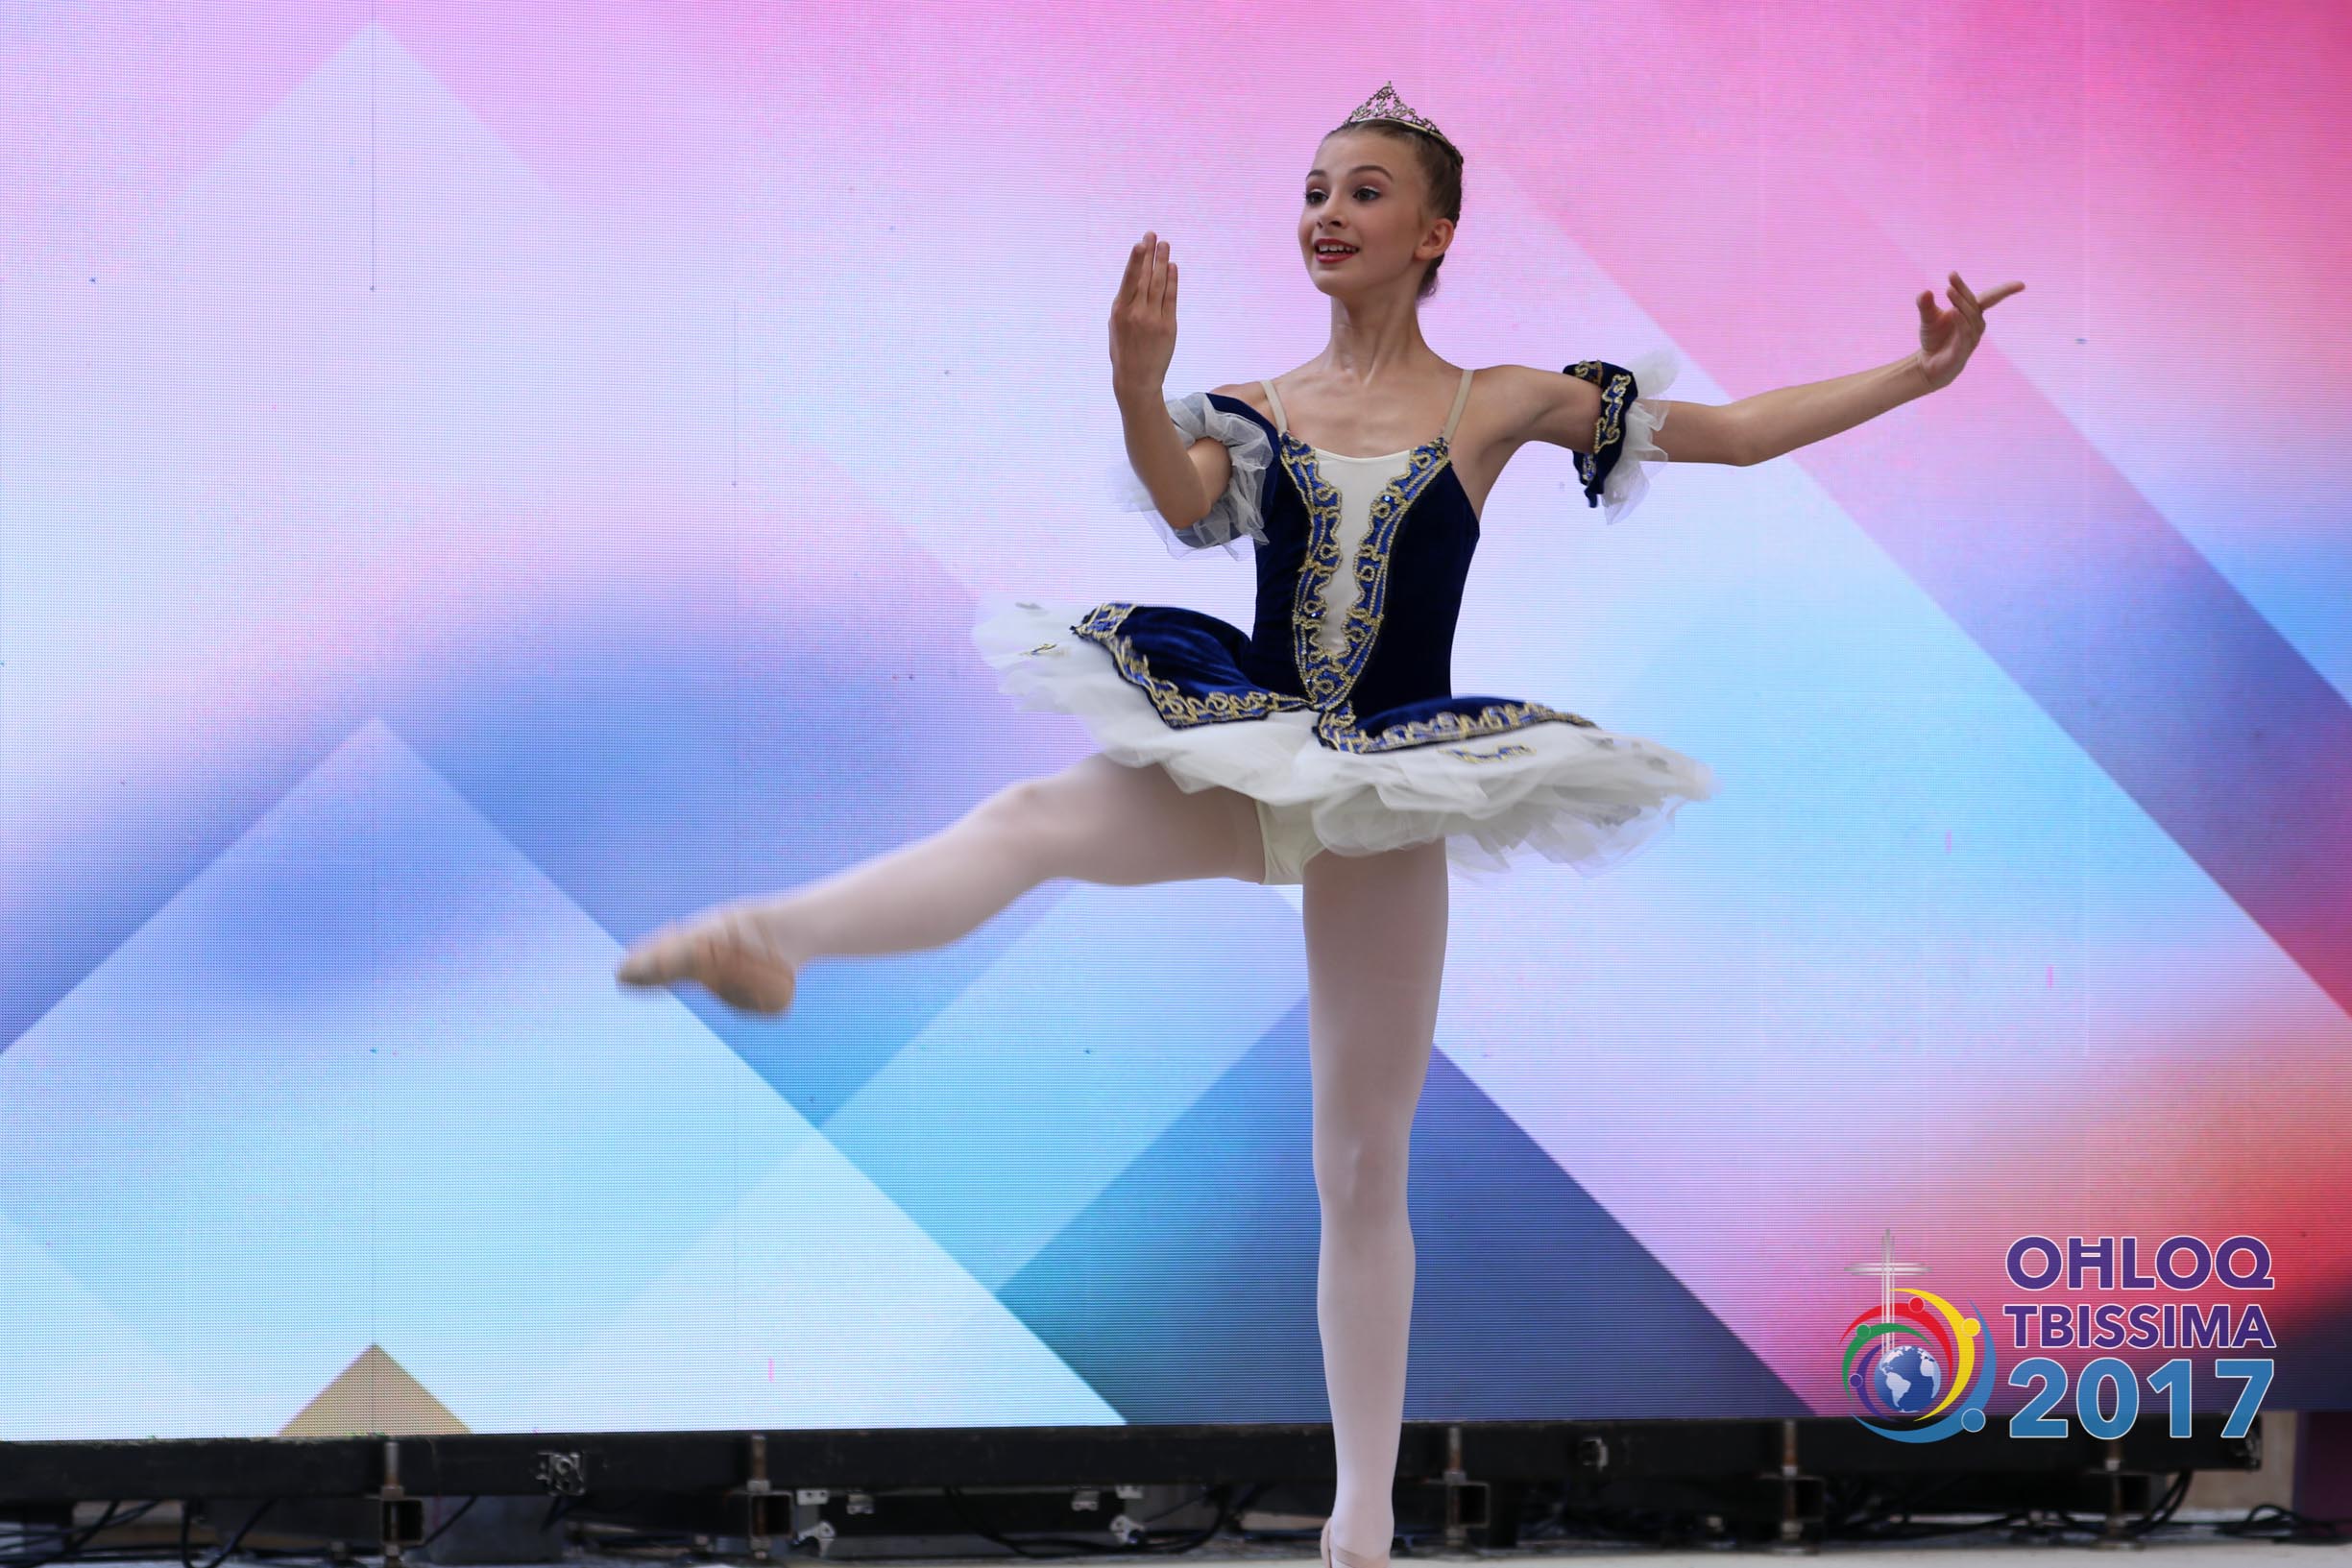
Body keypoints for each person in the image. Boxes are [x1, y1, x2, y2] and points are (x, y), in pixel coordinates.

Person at [616, 81, 2020, 1568]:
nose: (1326, 214)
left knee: (1358, 1162)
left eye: (1362, 190)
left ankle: (1360, 1518)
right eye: (1311, 191)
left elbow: (1725, 434)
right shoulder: (1259, 407)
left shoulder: (1499, 399)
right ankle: (767, 936)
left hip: (1394, 779)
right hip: (1250, 741)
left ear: (1435, 233)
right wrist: (1134, 379)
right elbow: (1181, 499)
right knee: (1032, 814)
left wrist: (1916, 374)